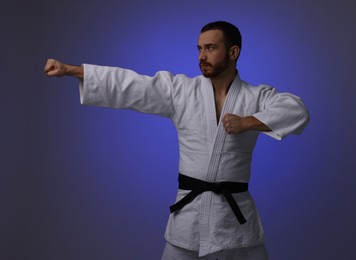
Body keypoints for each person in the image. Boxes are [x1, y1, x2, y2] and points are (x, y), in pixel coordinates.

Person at [44, 21, 309, 260]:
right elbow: (133, 85)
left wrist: (247, 122)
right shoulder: (182, 91)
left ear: (233, 52)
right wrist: (71, 70)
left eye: (210, 48)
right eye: (199, 49)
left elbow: (296, 110)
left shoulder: (256, 96)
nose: (201, 56)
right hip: (188, 216)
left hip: (236, 220)